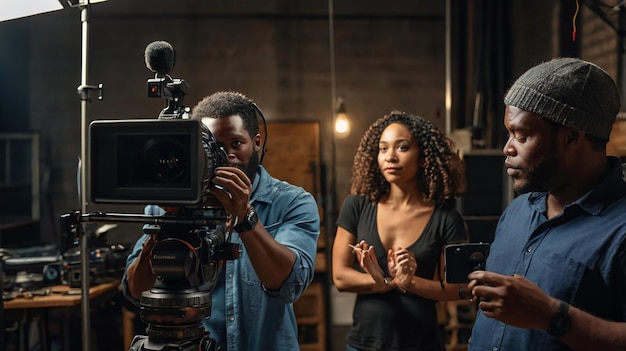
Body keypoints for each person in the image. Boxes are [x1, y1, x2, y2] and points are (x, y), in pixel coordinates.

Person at [121, 91, 321, 351]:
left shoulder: (292, 202)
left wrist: (245, 218)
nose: (226, 157)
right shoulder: (167, 206)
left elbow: (288, 286)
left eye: (236, 144)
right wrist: (167, 226)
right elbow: (137, 291)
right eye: (213, 148)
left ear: (257, 142)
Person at [467, 57, 626, 351]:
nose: (507, 148)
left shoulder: (620, 230)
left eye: (522, 135)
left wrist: (550, 316)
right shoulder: (517, 211)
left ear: (571, 137)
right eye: (508, 133)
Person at [332, 110, 469, 351]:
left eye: (402, 148)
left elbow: (458, 288)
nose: (390, 157)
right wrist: (387, 281)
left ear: (424, 157)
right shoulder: (357, 205)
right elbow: (340, 277)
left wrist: (410, 282)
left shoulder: (446, 218)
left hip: (421, 344)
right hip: (363, 344)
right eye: (383, 149)